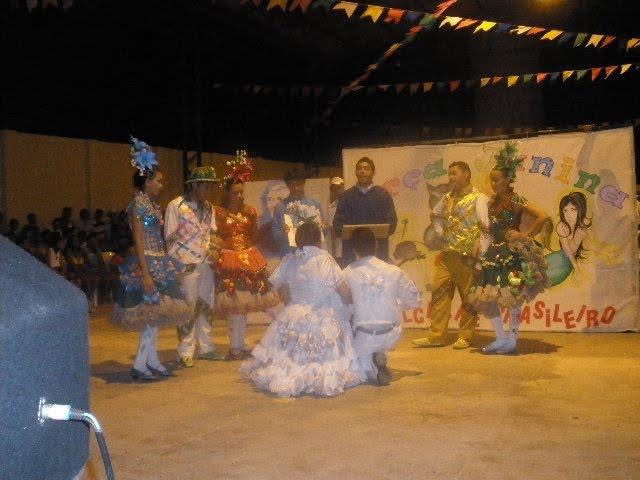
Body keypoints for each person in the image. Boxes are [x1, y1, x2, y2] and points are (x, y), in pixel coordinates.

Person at [241, 222, 365, 397]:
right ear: (318, 239)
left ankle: (288, 376)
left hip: (293, 315)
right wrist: (354, 301)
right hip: (322, 317)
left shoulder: (290, 260)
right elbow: (343, 291)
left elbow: (280, 288)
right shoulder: (324, 260)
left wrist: (293, 306)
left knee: (287, 354)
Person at [110, 137, 191, 381]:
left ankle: (151, 360)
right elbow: (139, 240)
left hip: (159, 261)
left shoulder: (152, 205)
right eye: (159, 181)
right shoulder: (138, 204)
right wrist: (145, 273)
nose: (162, 185)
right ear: (148, 181)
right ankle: (139, 365)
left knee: (156, 317)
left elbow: (157, 236)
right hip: (146, 263)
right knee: (149, 317)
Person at [467, 142, 549, 354]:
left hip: (511, 254)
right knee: (487, 296)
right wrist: (479, 241)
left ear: (507, 179)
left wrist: (525, 235)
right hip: (493, 254)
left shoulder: (517, 199)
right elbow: (488, 230)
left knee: (513, 296)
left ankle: (512, 338)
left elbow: (543, 216)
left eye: (496, 179)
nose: (493, 184)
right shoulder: (491, 203)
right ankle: (500, 337)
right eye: (491, 180)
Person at [412, 161, 489, 350]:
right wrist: (440, 232)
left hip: (467, 257)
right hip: (447, 256)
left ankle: (466, 336)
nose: (451, 177)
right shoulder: (447, 198)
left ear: (467, 174)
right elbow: (435, 215)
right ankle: (436, 336)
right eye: (449, 174)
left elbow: (486, 225)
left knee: (469, 297)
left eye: (454, 173)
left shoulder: (479, 198)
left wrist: (481, 245)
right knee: (439, 294)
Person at [343, 227, 421, 385]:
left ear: (353, 249)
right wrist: (397, 305)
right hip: (390, 333)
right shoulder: (394, 271)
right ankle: (379, 355)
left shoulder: (347, 273)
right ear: (376, 245)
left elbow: (341, 305)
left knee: (355, 369)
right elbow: (415, 300)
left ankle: (372, 361)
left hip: (362, 334)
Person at [213, 174, 280, 360]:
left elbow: (254, 236)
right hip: (228, 261)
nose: (239, 196)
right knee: (234, 303)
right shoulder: (218, 213)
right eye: (235, 192)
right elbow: (214, 235)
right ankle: (235, 346)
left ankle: (239, 344)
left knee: (242, 305)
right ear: (226, 193)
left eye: (241, 192)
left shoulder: (250, 212)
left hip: (247, 260)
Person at [165, 166, 223, 367]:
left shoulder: (209, 207)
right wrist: (177, 266)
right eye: (206, 186)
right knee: (187, 307)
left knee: (206, 304)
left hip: (206, 264)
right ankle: (185, 351)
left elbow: (212, 233)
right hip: (186, 265)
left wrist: (214, 249)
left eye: (211, 187)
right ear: (195, 185)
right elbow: (169, 238)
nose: (209, 191)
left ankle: (206, 347)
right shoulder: (176, 205)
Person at [333, 157, 397, 265]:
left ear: (373, 172)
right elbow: (337, 225)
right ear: (355, 172)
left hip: (378, 253)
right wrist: (355, 235)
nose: (362, 171)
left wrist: (375, 234)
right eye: (359, 168)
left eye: (366, 168)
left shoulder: (383, 195)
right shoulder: (346, 197)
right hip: (352, 254)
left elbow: (392, 223)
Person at [271, 169, 325, 256]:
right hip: (289, 254)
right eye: (292, 185)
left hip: (311, 256)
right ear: (288, 185)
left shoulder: (314, 205)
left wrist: (323, 228)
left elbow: (322, 235)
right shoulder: (280, 207)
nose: (296, 188)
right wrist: (283, 233)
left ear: (304, 183)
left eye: (299, 184)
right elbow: (275, 234)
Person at [545, 191, 592, 286]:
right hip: (560, 257)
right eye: (565, 211)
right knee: (531, 269)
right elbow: (567, 250)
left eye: (573, 210)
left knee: (544, 279)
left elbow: (590, 247)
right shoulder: (561, 226)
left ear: (581, 210)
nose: (568, 215)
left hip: (567, 264)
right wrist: (576, 268)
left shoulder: (584, 227)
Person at [326, 177, 345, 260]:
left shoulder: (350, 203)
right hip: (337, 249)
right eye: (334, 189)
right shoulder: (331, 207)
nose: (337, 191)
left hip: (349, 246)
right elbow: (332, 229)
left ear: (343, 188)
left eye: (339, 188)